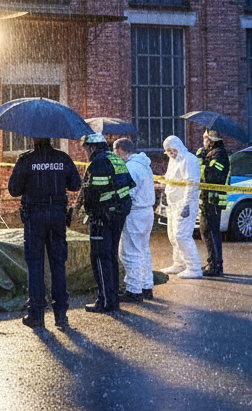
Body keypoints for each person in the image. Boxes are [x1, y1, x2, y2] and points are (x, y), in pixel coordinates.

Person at [7, 137, 82, 329]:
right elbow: (75, 184)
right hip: (57, 216)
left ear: (33, 140)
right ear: (51, 139)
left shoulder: (26, 160)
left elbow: (13, 190)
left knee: (35, 265)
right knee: (58, 264)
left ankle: (37, 315)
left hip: (34, 217)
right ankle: (61, 316)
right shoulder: (62, 158)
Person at [78, 133, 134, 313]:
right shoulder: (115, 159)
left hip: (103, 217)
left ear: (92, 147)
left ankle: (105, 301)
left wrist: (89, 212)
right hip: (117, 214)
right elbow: (126, 186)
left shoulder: (98, 163)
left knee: (100, 259)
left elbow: (92, 192)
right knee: (110, 256)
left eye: (86, 148)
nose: (85, 152)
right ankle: (112, 299)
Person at [114, 138, 156, 302]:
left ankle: (133, 290)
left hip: (135, 213)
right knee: (143, 250)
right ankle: (146, 286)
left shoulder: (130, 167)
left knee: (130, 252)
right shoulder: (144, 165)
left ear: (120, 150)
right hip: (146, 212)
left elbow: (127, 193)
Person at [160, 134, 203, 279]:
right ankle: (179, 263)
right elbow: (171, 180)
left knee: (182, 235)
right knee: (172, 235)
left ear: (178, 147)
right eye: (168, 151)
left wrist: (186, 205)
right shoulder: (173, 161)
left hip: (185, 204)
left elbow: (191, 184)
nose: (171, 153)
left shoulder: (189, 160)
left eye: (173, 150)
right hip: (173, 203)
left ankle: (194, 267)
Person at [197, 129, 231, 277]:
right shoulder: (212, 153)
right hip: (207, 198)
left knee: (211, 232)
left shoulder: (220, 155)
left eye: (205, 139)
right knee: (205, 231)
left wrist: (200, 160)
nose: (203, 141)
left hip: (214, 199)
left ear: (211, 140)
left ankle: (217, 266)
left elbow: (210, 176)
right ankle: (212, 262)